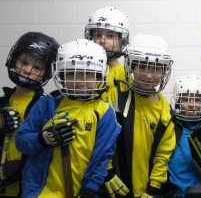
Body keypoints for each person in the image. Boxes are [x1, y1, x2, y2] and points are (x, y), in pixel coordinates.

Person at [15, 39, 121, 198]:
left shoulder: (105, 112)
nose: (79, 79)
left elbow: (102, 158)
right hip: (40, 193)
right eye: (71, 72)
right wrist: (43, 139)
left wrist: (89, 191)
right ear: (61, 73)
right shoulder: (47, 104)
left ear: (101, 75)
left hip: (80, 191)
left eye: (88, 73)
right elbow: (21, 141)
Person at [109, 33, 176, 198]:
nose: (148, 75)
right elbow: (101, 138)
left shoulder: (164, 110)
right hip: (111, 184)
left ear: (164, 70)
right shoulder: (116, 96)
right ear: (131, 65)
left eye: (156, 68)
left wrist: (153, 188)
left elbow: (163, 154)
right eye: (143, 66)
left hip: (143, 191)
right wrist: (107, 172)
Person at [0, 32, 59, 197]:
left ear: (46, 72)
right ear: (13, 59)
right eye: (24, 62)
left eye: (37, 67)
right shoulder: (2, 102)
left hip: (27, 185)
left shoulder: (46, 105)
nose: (27, 70)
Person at [163, 74, 201, 197]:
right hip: (174, 192)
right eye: (185, 99)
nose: (191, 104)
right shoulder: (168, 129)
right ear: (178, 101)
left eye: (198, 99)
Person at [85, 6, 130, 102]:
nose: (102, 41)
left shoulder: (124, 77)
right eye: (98, 35)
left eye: (110, 36)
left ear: (122, 41)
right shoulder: (82, 71)